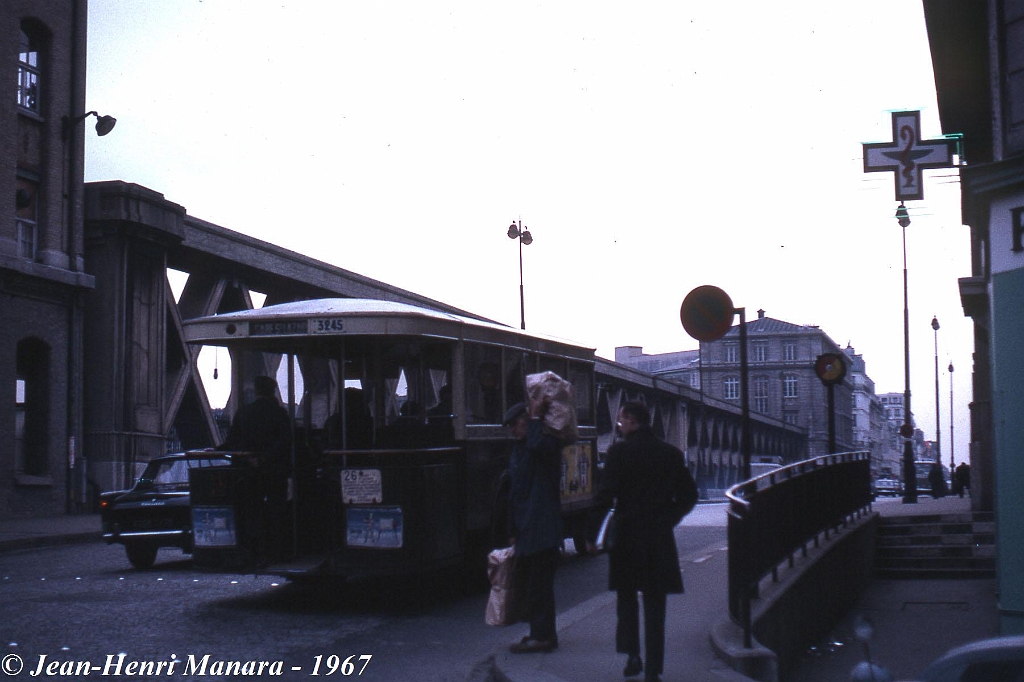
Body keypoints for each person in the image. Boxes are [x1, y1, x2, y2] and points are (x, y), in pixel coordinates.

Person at [591, 401, 698, 682]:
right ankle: (653, 670)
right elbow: (689, 495)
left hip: (627, 537)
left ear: (631, 420)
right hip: (658, 538)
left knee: (626, 599)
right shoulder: (671, 455)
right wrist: (669, 518)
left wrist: (594, 534)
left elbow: (604, 497)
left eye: (621, 420)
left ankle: (632, 655)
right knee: (655, 605)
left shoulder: (618, 453)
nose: (619, 426)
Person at [505, 396, 564, 654]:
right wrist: (513, 530)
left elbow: (541, 448)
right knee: (533, 586)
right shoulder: (520, 449)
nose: (512, 431)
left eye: (515, 425)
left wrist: (534, 421)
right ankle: (540, 633)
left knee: (539, 587)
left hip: (543, 528)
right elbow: (515, 494)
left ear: (525, 423)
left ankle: (543, 636)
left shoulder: (545, 445)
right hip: (528, 528)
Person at [220, 375, 291, 456]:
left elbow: (233, 440)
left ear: (256, 391)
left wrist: (216, 449)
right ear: (273, 392)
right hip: (273, 464)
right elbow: (285, 440)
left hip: (244, 462)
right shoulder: (280, 413)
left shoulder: (243, 412)